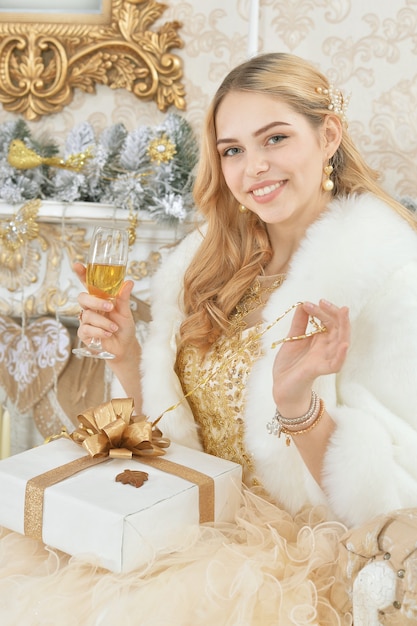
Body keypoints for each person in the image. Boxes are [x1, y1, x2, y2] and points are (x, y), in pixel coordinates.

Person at [1, 52, 417, 625]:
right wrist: (128, 354)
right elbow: (181, 434)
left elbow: (391, 505)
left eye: (275, 138)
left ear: (329, 136)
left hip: (294, 564)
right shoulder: (211, 260)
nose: (254, 168)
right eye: (233, 150)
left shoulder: (389, 274)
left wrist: (297, 406)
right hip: (184, 516)